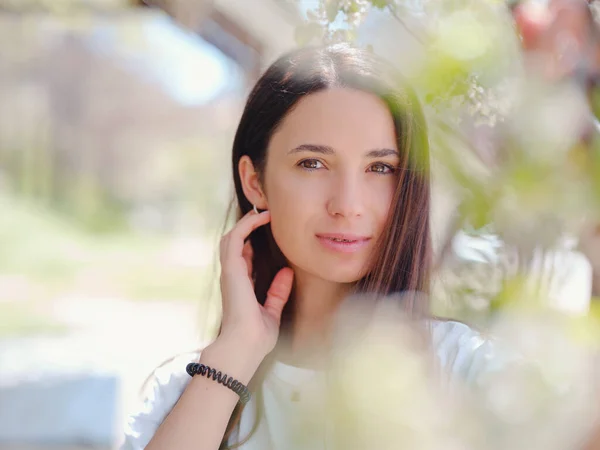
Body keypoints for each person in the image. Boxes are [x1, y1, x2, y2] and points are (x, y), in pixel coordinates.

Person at [119, 43, 512, 450]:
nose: (347, 205)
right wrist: (235, 353)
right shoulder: (186, 394)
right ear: (255, 181)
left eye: (380, 168)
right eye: (313, 163)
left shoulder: (469, 373)